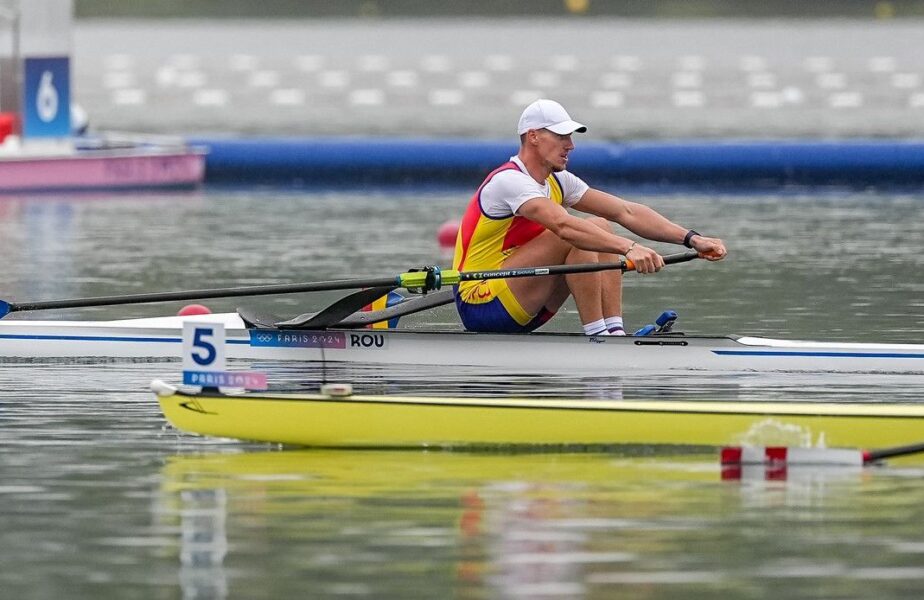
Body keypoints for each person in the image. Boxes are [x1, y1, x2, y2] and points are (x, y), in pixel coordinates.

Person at [452, 98, 727, 336]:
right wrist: (629, 248)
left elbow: (626, 212)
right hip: (480, 302)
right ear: (533, 136)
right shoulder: (509, 181)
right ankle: (598, 334)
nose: (570, 145)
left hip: (526, 299)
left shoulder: (558, 181)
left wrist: (692, 239)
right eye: (561, 136)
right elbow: (563, 226)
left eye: (570, 137)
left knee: (600, 224)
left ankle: (613, 330)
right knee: (578, 233)